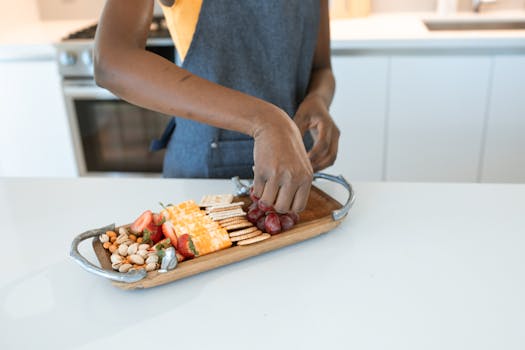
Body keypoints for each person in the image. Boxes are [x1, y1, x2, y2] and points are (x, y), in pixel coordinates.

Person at [94, 0, 339, 214]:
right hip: (202, 179)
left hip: (296, 179)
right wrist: (265, 120)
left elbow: (321, 68)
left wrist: (318, 100)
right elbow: (112, 63)